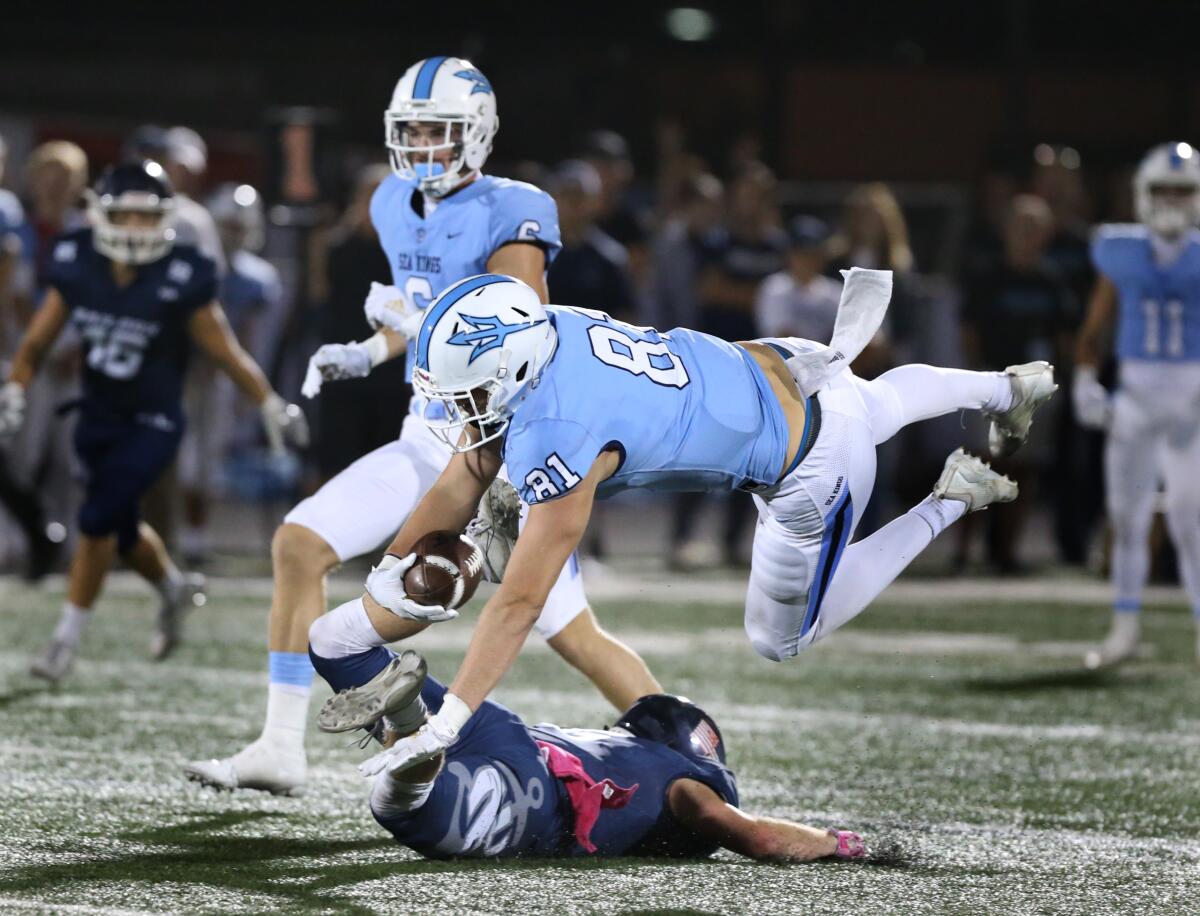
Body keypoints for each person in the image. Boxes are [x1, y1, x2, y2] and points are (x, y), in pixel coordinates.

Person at [310, 268, 1057, 776]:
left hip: (811, 464)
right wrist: (389, 569)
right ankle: (1001, 389)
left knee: (781, 637)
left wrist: (449, 723)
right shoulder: (551, 329)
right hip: (775, 366)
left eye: (468, 394)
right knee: (872, 399)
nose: (457, 411)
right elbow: (466, 470)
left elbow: (520, 602)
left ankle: (951, 499)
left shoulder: (560, 427)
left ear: (509, 373)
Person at [184, 57, 661, 798]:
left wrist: (419, 332)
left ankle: (682, 739)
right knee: (300, 544)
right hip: (426, 433)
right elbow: (430, 314)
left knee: (570, 632)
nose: (425, 147)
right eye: (412, 132)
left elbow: (510, 324)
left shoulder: (515, 207)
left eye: (440, 131)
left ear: (477, 134)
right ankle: (280, 746)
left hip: (496, 447)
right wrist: (372, 348)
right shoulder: (391, 202)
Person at [0, 161, 306, 681]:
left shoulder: (182, 270)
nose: (137, 229)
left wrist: (269, 401)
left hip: (155, 419)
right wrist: (16, 388)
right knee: (117, 525)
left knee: (98, 519)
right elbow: (37, 341)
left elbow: (226, 350)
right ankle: (171, 586)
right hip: (97, 415)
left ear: (165, 219)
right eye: (125, 216)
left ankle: (64, 641)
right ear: (101, 215)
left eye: (147, 218)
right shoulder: (79, 261)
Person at [303, 644, 866, 862]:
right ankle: (406, 726)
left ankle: (398, 706)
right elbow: (759, 837)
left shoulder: (618, 746)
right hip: (534, 800)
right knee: (404, 806)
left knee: (341, 650)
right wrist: (836, 842)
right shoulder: (683, 780)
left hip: (505, 730)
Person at [1074, 142, 1200, 668]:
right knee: (1126, 519)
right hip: (1136, 397)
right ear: (1144, 195)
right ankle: (1124, 627)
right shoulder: (1117, 247)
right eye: (1163, 189)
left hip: (1193, 398)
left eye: (1183, 189)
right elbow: (1093, 326)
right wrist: (1084, 377)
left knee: (1192, 522)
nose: (1172, 199)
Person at [959, 194, 1076, 572]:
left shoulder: (1051, 282)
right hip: (994, 382)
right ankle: (963, 550)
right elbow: (969, 331)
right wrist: (978, 378)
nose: (1028, 235)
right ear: (1007, 230)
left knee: (1022, 471)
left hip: (1035, 389)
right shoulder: (988, 277)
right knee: (979, 465)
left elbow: (1065, 337)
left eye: (1035, 228)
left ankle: (1005, 552)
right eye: (1022, 226)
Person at [546, 160, 635, 321]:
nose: (574, 204)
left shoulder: (610, 258)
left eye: (580, 196)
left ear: (595, 202)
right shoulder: (535, 253)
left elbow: (624, 319)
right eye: (567, 195)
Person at [754, 215, 842, 342]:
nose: (806, 260)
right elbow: (781, 337)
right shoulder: (774, 287)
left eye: (812, 253)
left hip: (828, 360)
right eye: (800, 253)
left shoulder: (835, 293)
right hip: (782, 360)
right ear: (789, 254)